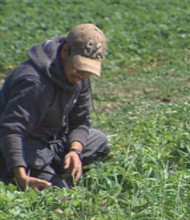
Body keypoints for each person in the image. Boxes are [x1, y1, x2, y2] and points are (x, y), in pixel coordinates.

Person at [0, 23, 111, 191]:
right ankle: (21, 175)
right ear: (65, 51)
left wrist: (75, 150)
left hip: (53, 139)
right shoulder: (34, 82)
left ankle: (51, 168)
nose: (82, 76)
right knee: (57, 195)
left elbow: (80, 121)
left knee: (99, 141)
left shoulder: (81, 77)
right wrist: (20, 174)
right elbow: (11, 130)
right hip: (25, 145)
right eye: (79, 68)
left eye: (87, 71)